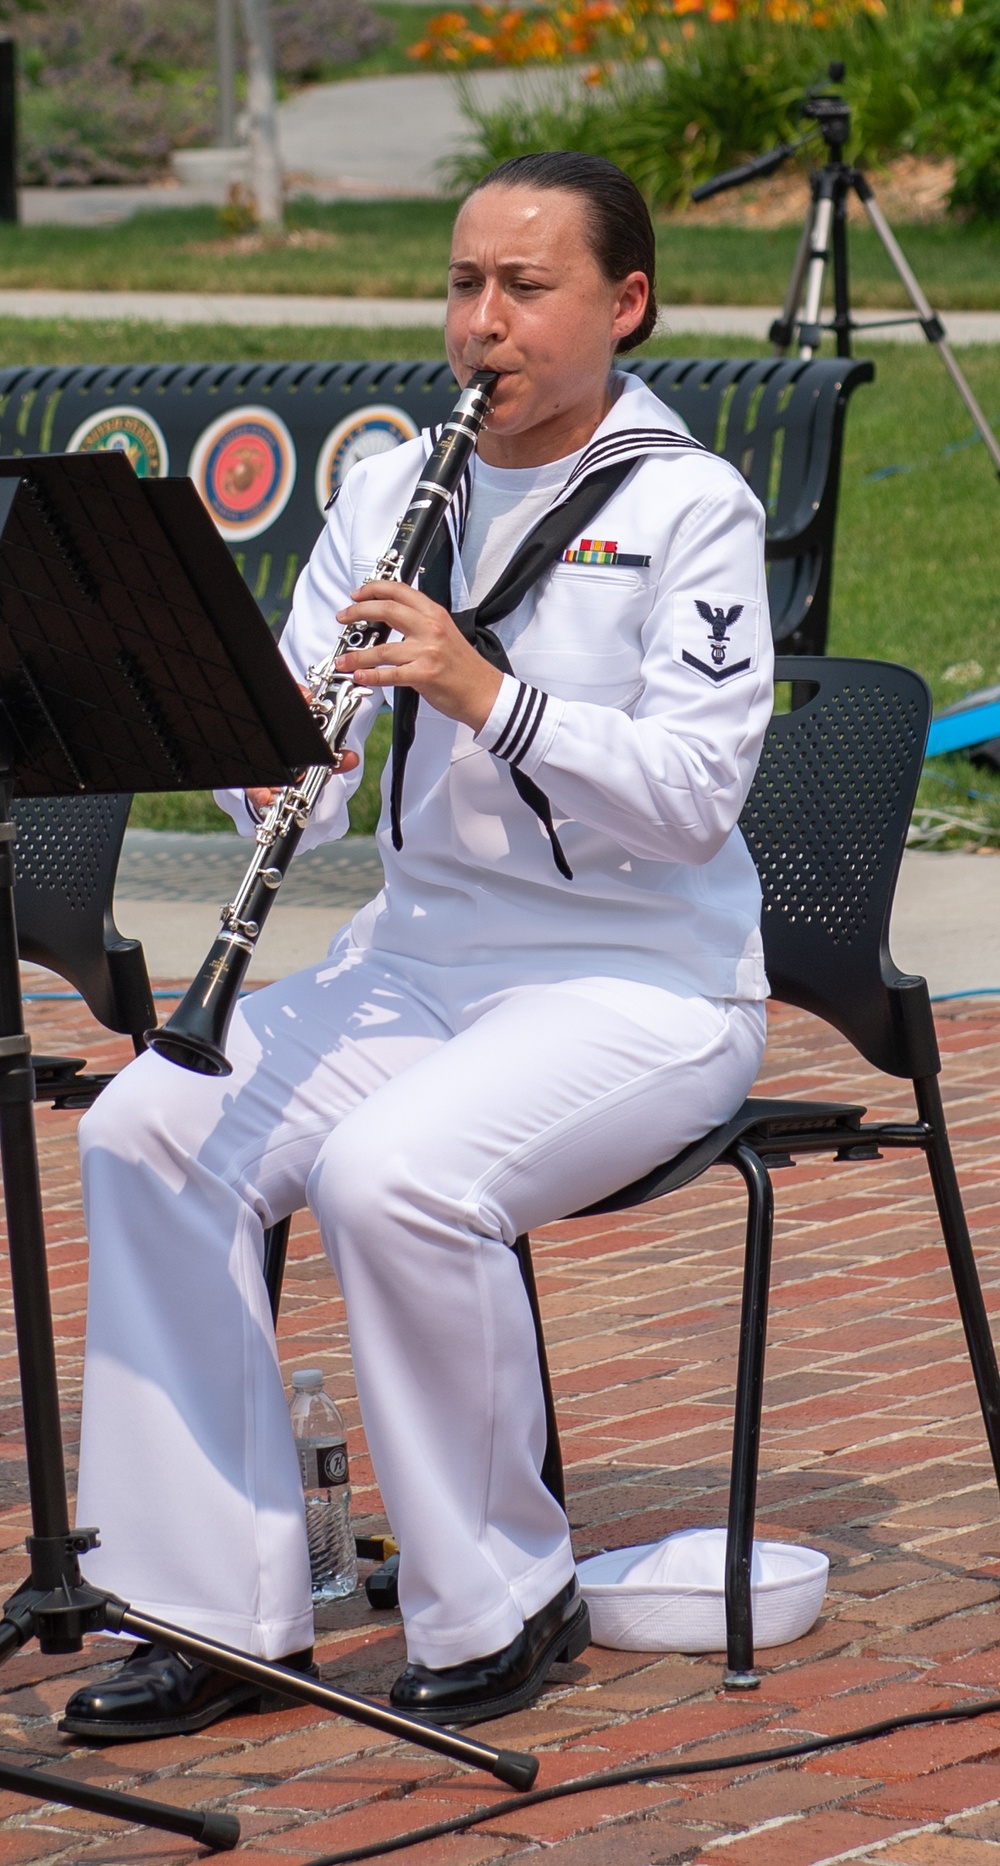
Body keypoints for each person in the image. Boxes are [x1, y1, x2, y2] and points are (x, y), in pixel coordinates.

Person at [61, 150, 773, 1741]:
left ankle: (502, 1589)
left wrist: (483, 694)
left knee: (396, 1170)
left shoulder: (687, 508)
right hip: (418, 963)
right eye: (464, 285)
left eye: (527, 288)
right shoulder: (390, 491)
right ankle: (209, 1609)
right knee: (148, 1129)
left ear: (625, 304)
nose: (483, 324)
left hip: (639, 977)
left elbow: (695, 796)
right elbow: (306, 805)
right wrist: (269, 754)